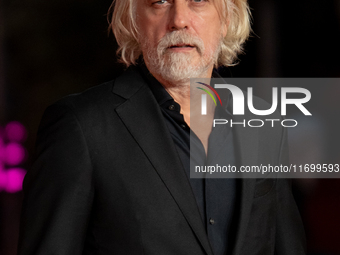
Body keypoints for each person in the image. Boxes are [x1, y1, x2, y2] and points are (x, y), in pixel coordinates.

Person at [18, 0, 306, 254]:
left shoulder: (264, 125)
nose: (179, 19)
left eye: (199, 0)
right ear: (132, 20)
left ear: (227, 17)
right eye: (160, 1)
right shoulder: (80, 126)